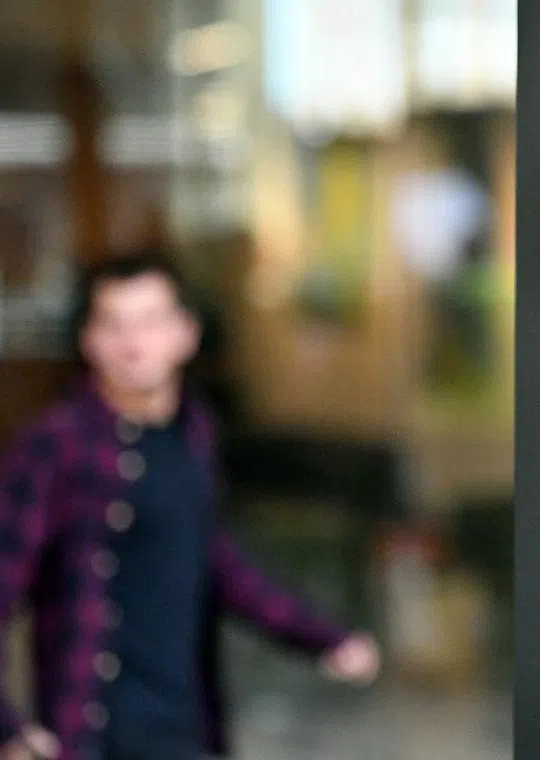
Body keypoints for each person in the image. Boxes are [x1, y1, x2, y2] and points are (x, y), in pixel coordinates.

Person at [0, 250, 381, 760]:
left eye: (151, 322)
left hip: (185, 730)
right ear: (89, 340)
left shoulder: (193, 431)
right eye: (114, 325)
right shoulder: (56, 445)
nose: (133, 345)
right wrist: (10, 733)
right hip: (94, 736)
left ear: (186, 333)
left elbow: (213, 558)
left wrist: (321, 636)